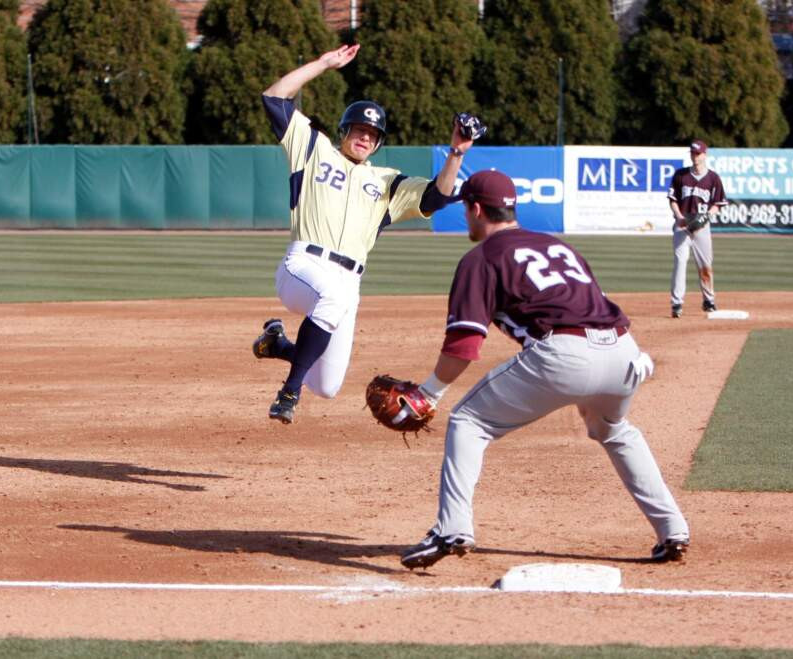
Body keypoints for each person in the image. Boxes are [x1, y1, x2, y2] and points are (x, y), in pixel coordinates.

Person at [397, 169, 690, 570]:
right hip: (624, 352)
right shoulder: (558, 246)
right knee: (615, 430)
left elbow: (464, 345)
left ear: (477, 208)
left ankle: (453, 528)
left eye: (467, 207)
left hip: (565, 355)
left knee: (467, 421)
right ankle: (672, 529)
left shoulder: (480, 258)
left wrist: (428, 392)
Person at [253, 44, 475, 424]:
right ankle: (289, 392)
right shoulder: (313, 148)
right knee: (331, 298)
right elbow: (274, 97)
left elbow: (437, 196)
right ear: (345, 130)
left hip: (347, 283)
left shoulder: (386, 182)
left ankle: (279, 345)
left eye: (373, 134)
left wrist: (457, 151)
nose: (366, 137)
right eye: (359, 129)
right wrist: (324, 64)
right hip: (302, 267)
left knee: (327, 385)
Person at [667, 139, 727, 318]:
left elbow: (718, 203)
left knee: (705, 265)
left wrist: (707, 216)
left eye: (698, 153)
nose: (695, 156)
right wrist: (678, 217)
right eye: (693, 153)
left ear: (705, 155)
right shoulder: (680, 175)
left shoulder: (713, 178)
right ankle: (676, 304)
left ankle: (708, 300)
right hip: (683, 226)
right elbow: (673, 199)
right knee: (680, 262)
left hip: (702, 227)